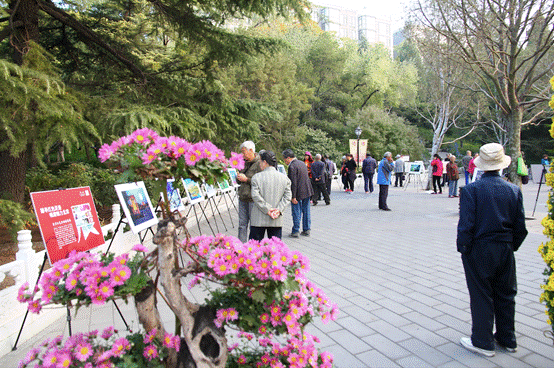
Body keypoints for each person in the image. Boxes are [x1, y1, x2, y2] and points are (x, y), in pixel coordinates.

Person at [457, 143, 527, 357]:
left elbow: (466, 224)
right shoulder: (513, 190)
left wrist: (464, 249)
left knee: (481, 294)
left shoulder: (471, 190)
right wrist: (510, 245)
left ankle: (483, 340)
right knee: (506, 293)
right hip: (504, 247)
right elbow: (520, 227)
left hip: (480, 247)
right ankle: (507, 338)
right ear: (501, 165)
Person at [249, 151, 292, 240]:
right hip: (276, 219)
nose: (259, 164)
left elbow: (255, 196)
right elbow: (287, 196)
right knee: (275, 250)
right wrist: (279, 210)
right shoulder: (284, 178)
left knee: (255, 249)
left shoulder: (256, 177)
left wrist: (267, 209)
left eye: (260, 161)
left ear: (265, 162)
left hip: (258, 219)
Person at [282, 149, 314, 237]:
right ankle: (307, 229)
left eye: (285, 160)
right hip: (307, 191)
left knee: (296, 212)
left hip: (298, 193)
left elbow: (293, 182)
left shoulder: (292, 166)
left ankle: (295, 230)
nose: (285, 162)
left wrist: (293, 196)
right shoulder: (302, 163)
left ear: (288, 158)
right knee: (306, 211)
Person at [236, 141, 262, 242]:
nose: (242, 155)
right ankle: (240, 246)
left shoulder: (260, 163)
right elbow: (239, 181)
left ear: (251, 150)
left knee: (254, 225)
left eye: (244, 152)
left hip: (253, 200)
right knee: (242, 224)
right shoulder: (243, 162)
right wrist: (238, 176)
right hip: (242, 198)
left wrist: (246, 179)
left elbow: (260, 183)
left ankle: (253, 247)